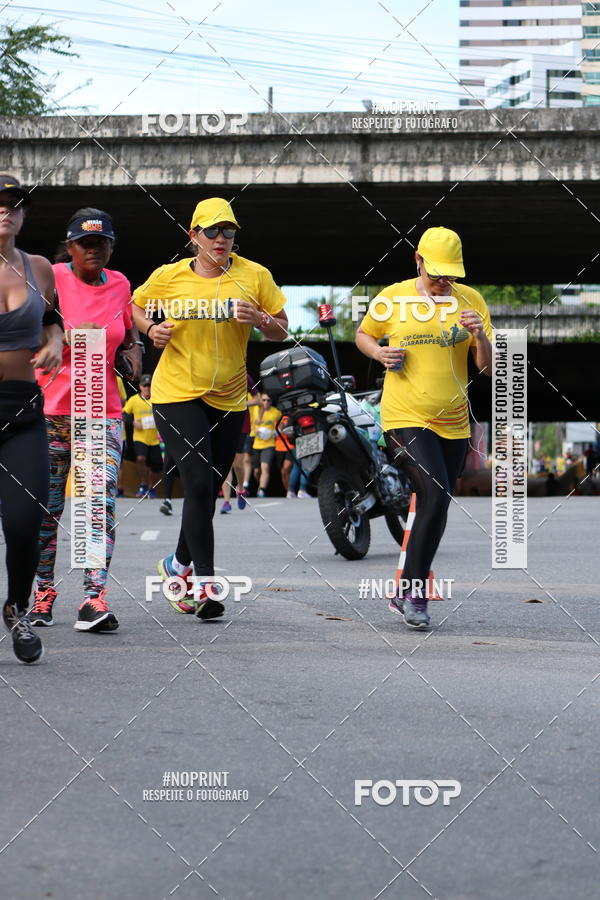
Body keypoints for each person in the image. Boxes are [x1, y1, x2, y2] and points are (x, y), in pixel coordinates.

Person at [131, 197, 288, 618]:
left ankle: (175, 565)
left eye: (229, 231)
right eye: (212, 231)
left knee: (210, 489)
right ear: (193, 235)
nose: (221, 239)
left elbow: (281, 328)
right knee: (198, 484)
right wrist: (151, 329)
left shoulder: (254, 275)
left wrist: (258, 318)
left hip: (231, 398)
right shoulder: (168, 276)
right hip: (176, 392)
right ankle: (204, 585)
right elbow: (134, 305)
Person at [356, 226, 492, 629]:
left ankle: (405, 588)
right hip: (405, 416)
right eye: (436, 273)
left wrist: (479, 335)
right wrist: (379, 352)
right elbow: (363, 334)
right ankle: (414, 593)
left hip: (453, 422)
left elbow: (486, 366)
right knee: (433, 493)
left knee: (439, 503)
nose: (443, 281)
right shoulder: (393, 297)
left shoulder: (471, 301)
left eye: (450, 274)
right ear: (418, 260)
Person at [30, 208, 142, 632]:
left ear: (111, 247)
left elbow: (129, 340)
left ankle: (93, 599)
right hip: (52, 410)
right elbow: (26, 326)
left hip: (102, 409)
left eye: (102, 243)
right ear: (70, 246)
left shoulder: (120, 284)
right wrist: (60, 338)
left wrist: (132, 359)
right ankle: (42, 592)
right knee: (48, 507)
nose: (94, 250)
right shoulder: (50, 276)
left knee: (98, 505)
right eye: (85, 243)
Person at [0, 175, 63, 663]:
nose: (6, 211)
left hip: (23, 410)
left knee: (26, 523)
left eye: (14, 205)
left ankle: (17, 609)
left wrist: (57, 342)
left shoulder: (40, 268)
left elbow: (51, 320)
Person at [220, 373, 260, 513]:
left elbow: (258, 399)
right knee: (226, 463)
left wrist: (242, 403)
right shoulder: (219, 374)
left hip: (241, 424)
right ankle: (226, 502)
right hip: (223, 423)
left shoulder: (245, 377)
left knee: (238, 463)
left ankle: (241, 489)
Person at [123, 374, 162, 498]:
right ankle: (143, 484)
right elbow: (124, 414)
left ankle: (151, 488)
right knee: (140, 458)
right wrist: (133, 422)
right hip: (140, 437)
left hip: (155, 438)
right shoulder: (134, 400)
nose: (147, 388)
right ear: (140, 386)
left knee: (156, 464)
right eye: (145, 386)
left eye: (149, 386)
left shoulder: (157, 399)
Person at [252, 393, 281, 498]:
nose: (266, 402)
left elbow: (280, 427)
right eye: (264, 400)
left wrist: (274, 433)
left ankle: (262, 489)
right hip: (256, 444)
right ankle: (259, 483)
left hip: (269, 444)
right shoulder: (256, 409)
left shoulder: (276, 412)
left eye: (268, 400)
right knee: (256, 471)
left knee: (266, 467)